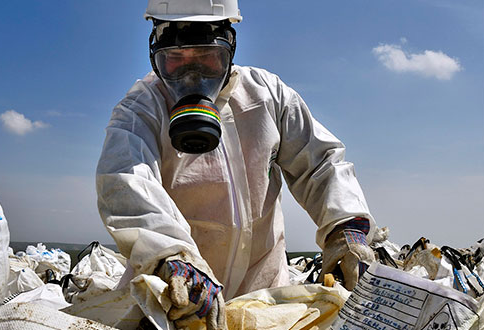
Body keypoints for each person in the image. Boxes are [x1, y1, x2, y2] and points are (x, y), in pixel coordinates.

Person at [96, 1, 376, 328]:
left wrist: (345, 228)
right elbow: (126, 182)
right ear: (155, 56)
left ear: (230, 47)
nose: (192, 76)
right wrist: (171, 257)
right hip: (177, 300)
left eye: (207, 59)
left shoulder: (267, 96)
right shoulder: (142, 109)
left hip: (266, 303)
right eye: (175, 61)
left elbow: (320, 164)